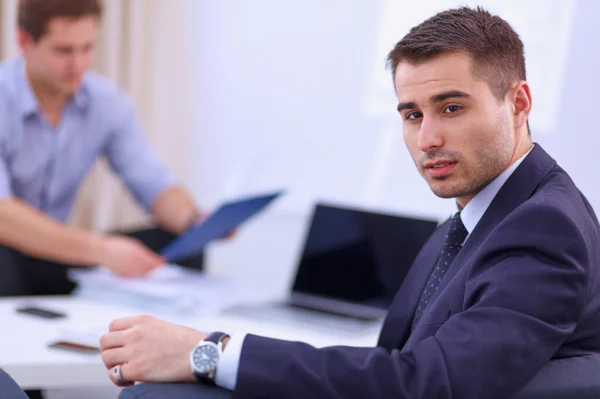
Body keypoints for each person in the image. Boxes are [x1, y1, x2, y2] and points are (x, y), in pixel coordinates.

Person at [99, 6, 600, 399]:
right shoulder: (485, 213)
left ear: (518, 103)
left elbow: (429, 383)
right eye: (411, 114)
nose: (427, 138)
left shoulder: (542, 226)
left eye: (451, 107)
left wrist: (210, 352)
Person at [0, 0, 214, 298]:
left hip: (61, 257)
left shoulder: (105, 103)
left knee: (182, 239)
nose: (79, 65)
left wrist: (194, 221)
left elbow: (154, 183)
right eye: (64, 51)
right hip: (10, 254)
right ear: (25, 41)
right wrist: (99, 250)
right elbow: (3, 214)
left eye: (87, 48)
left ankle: (166, 332)